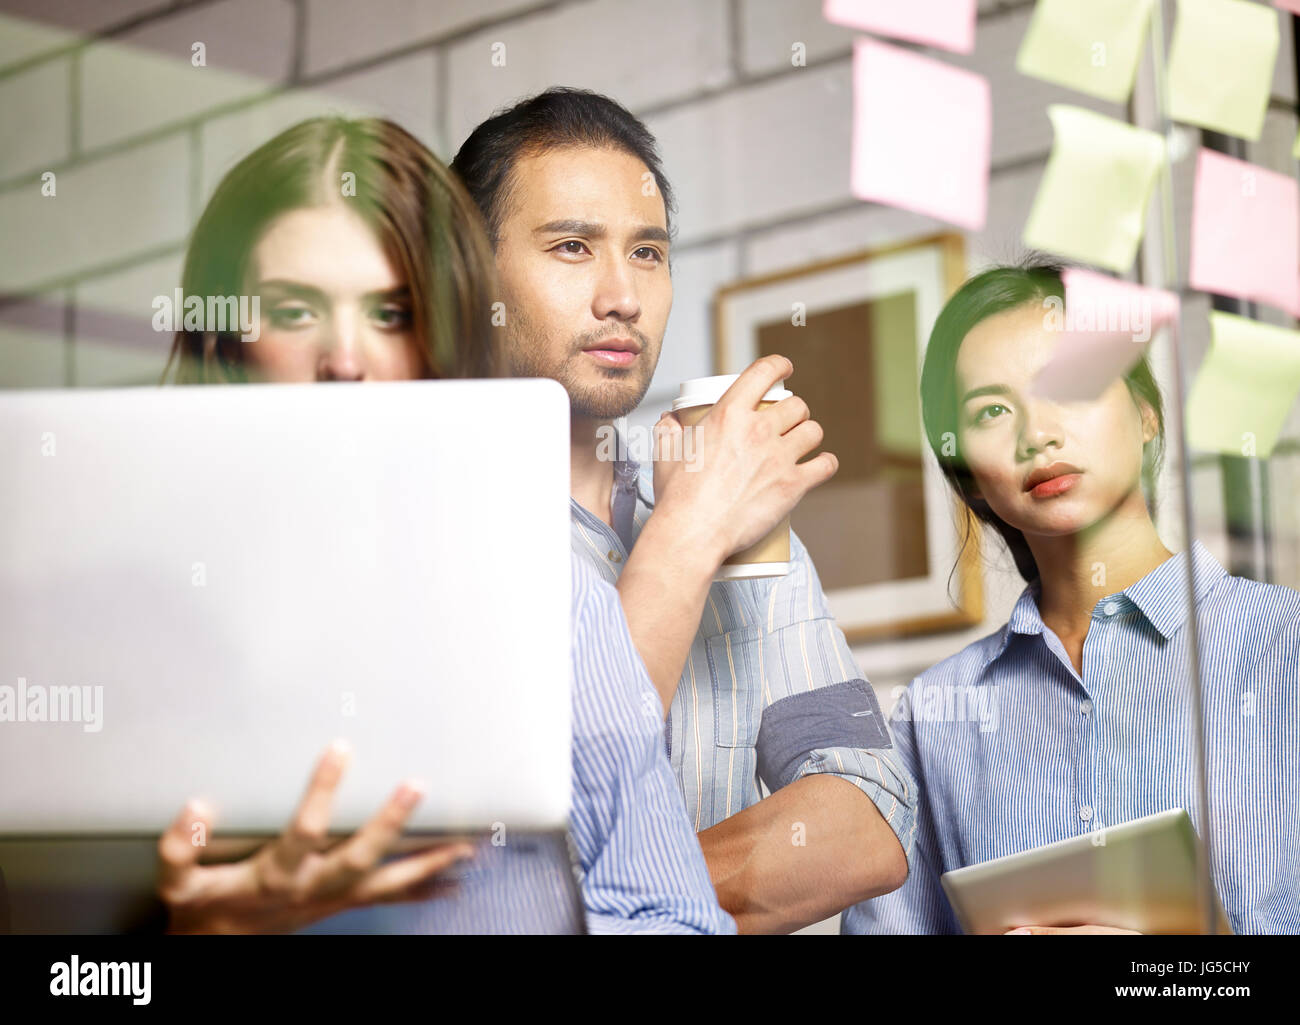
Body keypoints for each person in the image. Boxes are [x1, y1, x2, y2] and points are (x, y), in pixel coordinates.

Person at [156, 116, 734, 934]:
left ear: (442, 332)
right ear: (226, 336)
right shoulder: (139, 614)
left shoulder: (551, 596)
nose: (344, 360)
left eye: (391, 313)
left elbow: (677, 916)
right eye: (293, 308)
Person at [451, 88, 915, 933]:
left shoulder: (742, 523)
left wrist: (619, 895)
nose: (622, 295)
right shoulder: (432, 534)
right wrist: (692, 529)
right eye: (570, 246)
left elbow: (868, 818)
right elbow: (510, 845)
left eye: (649, 252)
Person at [841, 261, 1300, 935]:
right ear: (967, 474)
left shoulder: (1283, 646)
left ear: (1146, 412)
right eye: (992, 410)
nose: (1038, 433)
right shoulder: (931, 719)